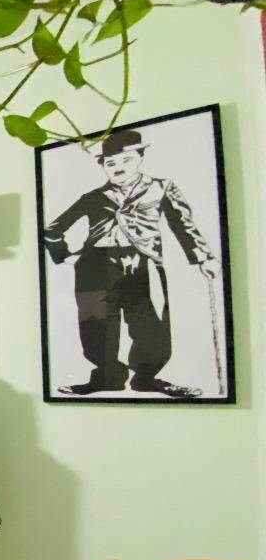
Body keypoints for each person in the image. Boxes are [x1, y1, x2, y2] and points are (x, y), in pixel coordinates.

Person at [43, 129, 219, 398]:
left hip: (142, 261)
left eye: (126, 160)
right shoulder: (93, 197)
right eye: (110, 163)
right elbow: (52, 230)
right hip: (95, 266)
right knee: (95, 325)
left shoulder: (161, 187)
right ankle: (106, 377)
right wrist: (66, 255)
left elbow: (183, 224)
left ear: (140, 157)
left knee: (149, 323)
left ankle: (147, 378)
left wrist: (203, 257)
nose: (118, 167)